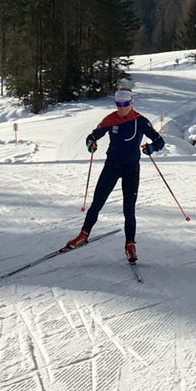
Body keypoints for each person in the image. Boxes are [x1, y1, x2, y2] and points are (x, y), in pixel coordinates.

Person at [65, 83, 164, 263]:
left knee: (129, 209)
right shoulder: (111, 119)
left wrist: (151, 147)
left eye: (125, 104)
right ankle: (83, 235)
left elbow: (160, 141)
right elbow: (92, 136)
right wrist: (91, 144)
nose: (121, 108)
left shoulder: (140, 121)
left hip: (131, 169)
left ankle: (130, 245)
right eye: (118, 104)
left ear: (132, 103)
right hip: (112, 166)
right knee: (97, 202)